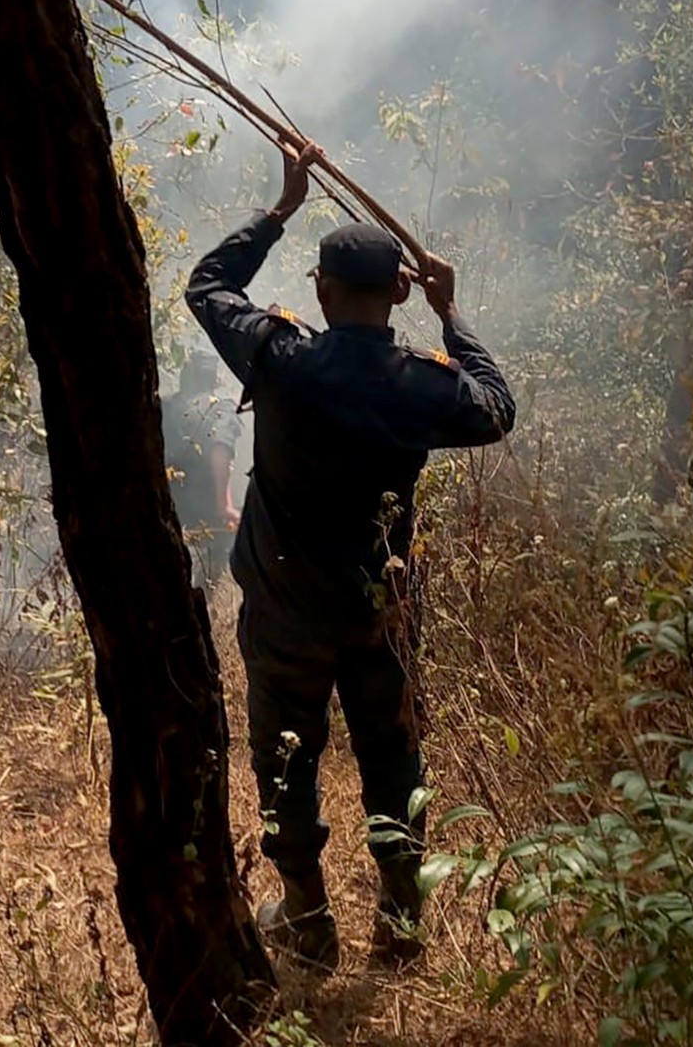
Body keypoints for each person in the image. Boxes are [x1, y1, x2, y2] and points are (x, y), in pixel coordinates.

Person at [186, 141, 515, 973]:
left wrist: (280, 208)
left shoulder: (282, 355)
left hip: (288, 613)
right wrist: (451, 313)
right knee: (391, 759)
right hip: (380, 611)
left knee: (284, 763)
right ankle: (400, 932)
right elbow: (498, 407)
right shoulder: (423, 382)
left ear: (322, 293)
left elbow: (206, 289)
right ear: (398, 291)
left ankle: (307, 921)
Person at [161, 348, 242, 584]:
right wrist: (224, 505)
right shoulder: (221, 410)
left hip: (169, 512)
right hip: (208, 518)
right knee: (208, 583)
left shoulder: (163, 406)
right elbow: (220, 449)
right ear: (213, 379)